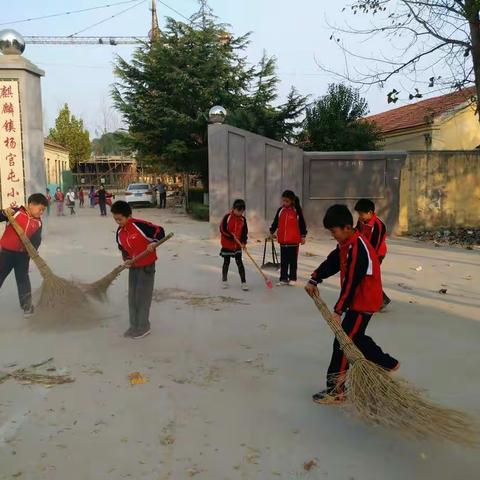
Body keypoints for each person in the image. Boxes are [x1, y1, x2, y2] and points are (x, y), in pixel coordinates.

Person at [305, 204, 399, 405]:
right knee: (355, 337)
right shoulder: (346, 243)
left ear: (347, 227)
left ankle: (337, 391)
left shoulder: (358, 248)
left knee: (342, 343)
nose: (333, 236)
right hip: (358, 299)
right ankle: (388, 363)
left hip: (363, 301)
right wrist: (315, 278)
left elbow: (352, 282)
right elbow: (333, 261)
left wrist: (339, 310)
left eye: (334, 231)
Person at [111, 200, 165, 339]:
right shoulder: (120, 232)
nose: (118, 222)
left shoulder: (139, 225)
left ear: (128, 216)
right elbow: (122, 248)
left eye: (120, 219)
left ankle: (143, 327)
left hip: (146, 266)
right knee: (132, 298)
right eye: (115, 219)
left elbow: (159, 231)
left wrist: (153, 242)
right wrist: (127, 260)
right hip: (133, 267)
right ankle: (133, 326)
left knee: (142, 298)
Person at [0, 193, 48, 317]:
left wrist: (33, 251)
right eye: (40, 209)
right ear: (31, 205)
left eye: (43, 210)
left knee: (23, 280)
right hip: (6, 253)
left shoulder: (38, 223)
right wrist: (4, 213)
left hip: (23, 256)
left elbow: (36, 240)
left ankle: (26, 306)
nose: (41, 212)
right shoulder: (16, 212)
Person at [354, 199, 391, 310]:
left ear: (370, 213)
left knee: (368, 277)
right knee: (364, 276)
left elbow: (375, 245)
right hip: (365, 252)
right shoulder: (361, 221)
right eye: (358, 214)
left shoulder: (379, 226)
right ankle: (379, 299)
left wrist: (368, 259)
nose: (360, 217)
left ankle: (381, 300)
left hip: (376, 254)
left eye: (361, 214)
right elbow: (356, 233)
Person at [269, 190, 307, 286]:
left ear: (292, 201)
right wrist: (271, 231)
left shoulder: (297, 211)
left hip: (294, 241)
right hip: (283, 241)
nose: (284, 203)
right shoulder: (280, 210)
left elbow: (302, 224)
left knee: (293, 261)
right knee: (284, 261)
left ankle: (293, 278)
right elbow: (275, 222)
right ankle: (283, 278)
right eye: (283, 201)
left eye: (286, 201)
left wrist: (303, 236)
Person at [219, 199, 248, 291]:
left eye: (242, 211)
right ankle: (224, 280)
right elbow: (222, 229)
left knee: (239, 263)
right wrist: (231, 236)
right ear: (233, 208)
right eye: (238, 211)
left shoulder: (243, 220)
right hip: (227, 244)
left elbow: (244, 232)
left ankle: (244, 282)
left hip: (237, 246)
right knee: (226, 262)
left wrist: (243, 242)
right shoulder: (227, 217)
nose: (240, 213)